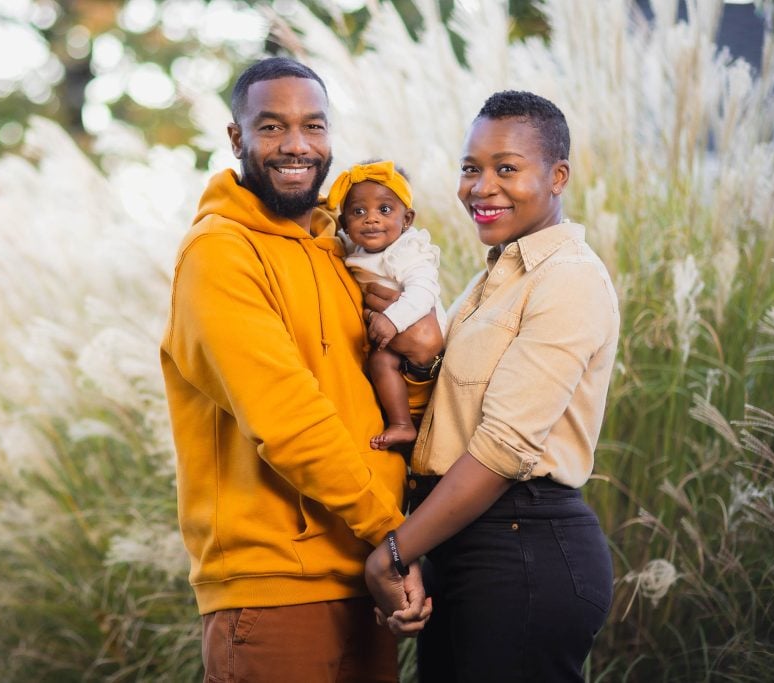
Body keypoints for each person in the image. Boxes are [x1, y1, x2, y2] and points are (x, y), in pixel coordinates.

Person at [159, 57, 439, 683]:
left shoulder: (341, 256)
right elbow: (287, 420)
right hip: (274, 591)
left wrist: (421, 365)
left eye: (314, 126)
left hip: (368, 582)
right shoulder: (219, 255)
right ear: (237, 139)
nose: (297, 145)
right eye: (272, 127)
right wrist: (396, 537)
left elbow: (381, 400)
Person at [364, 90, 620, 682]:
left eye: (507, 168)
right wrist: (422, 357)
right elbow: (452, 415)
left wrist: (395, 552)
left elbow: (504, 447)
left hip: (524, 551)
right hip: (465, 545)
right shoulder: (489, 283)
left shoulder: (568, 280)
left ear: (557, 177)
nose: (481, 187)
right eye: (470, 168)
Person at [326, 160, 446, 450]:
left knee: (381, 362)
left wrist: (393, 320)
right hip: (387, 334)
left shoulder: (407, 252)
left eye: (384, 210)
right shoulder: (355, 247)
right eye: (358, 211)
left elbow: (424, 291)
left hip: (416, 325)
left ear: (407, 219)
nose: (371, 219)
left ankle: (403, 425)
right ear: (344, 224)